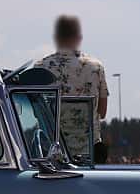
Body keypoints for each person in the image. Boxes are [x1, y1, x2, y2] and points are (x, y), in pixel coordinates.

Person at [36, 14, 110, 164]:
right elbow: (102, 112)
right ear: (79, 37)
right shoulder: (96, 67)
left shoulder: (41, 67)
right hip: (91, 151)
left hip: (53, 153)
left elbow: (37, 114)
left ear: (56, 37)